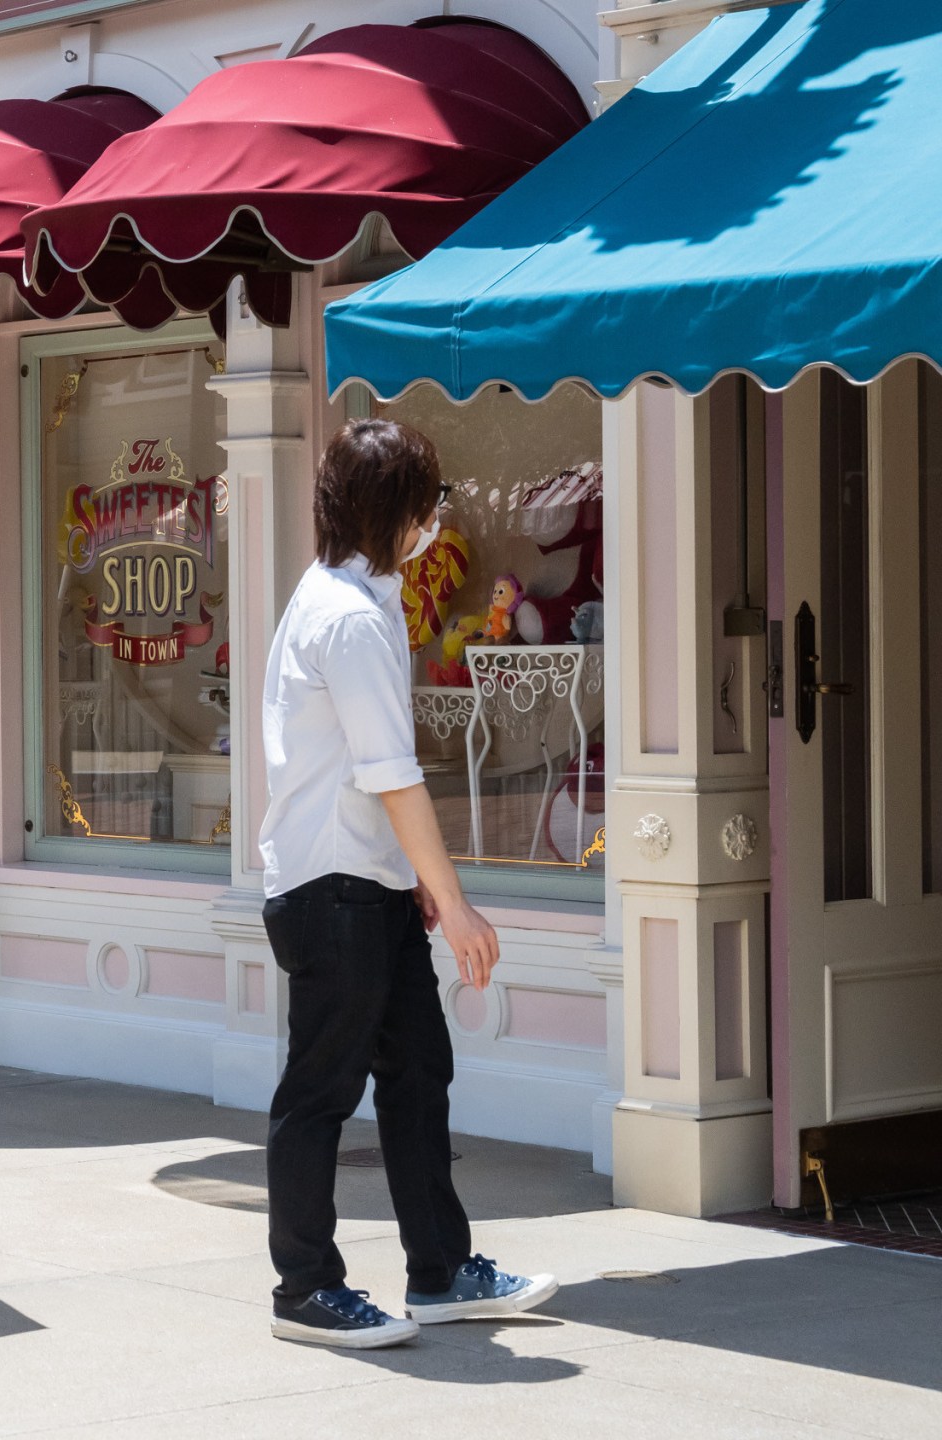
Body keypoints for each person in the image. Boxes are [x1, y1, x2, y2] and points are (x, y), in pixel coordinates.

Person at [257, 419, 557, 1349]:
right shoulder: (344, 618)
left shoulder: (361, 600)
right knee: (320, 1093)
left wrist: (414, 880)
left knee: (419, 1076)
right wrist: (454, 899)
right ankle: (305, 1287)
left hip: (367, 886)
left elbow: (373, 775)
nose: (436, 520)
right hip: (332, 889)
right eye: (430, 504)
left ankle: (441, 1271)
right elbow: (392, 772)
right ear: (400, 512)